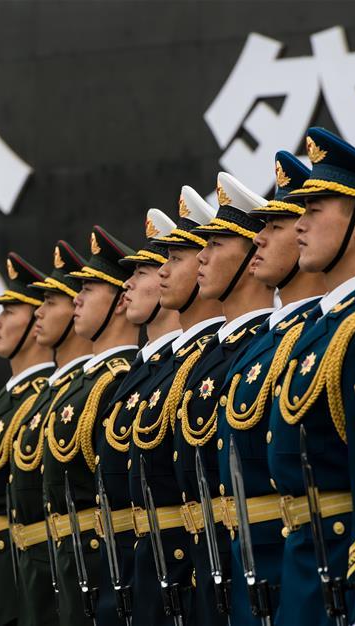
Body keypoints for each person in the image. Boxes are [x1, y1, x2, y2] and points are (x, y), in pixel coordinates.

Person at [266, 128, 355, 626]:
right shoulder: (323, 327)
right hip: (305, 568)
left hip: (341, 571)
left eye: (314, 211)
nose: (300, 226)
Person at [215, 151, 325, 623]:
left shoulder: (329, 333)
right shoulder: (267, 343)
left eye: (276, 226)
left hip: (308, 565)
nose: (260, 239)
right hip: (255, 567)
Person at [172, 172, 276, 626]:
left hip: (267, 569)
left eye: (214, 245)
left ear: (252, 255)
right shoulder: (204, 361)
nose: (202, 258)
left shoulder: (267, 348)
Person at [128, 186, 224, 625]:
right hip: (154, 571)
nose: (163, 272)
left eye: (175, 258)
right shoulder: (165, 369)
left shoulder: (213, 363)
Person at [42, 226, 141, 626]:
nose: (76, 299)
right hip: (71, 563)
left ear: (120, 302)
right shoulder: (85, 382)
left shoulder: (115, 380)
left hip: (102, 563)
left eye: (89, 289)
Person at [95, 209, 183, 625]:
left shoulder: (182, 369)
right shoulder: (136, 376)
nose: (126, 284)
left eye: (144, 271)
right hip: (135, 570)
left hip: (179, 571)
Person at [10, 240, 93, 626]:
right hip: (42, 567)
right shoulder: (49, 395)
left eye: (51, 302)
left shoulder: (99, 385)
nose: (38, 313)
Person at [0, 252, 56, 626]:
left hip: (20, 567)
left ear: (37, 321)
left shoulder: (40, 398)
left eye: (10, 312)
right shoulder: (14, 396)